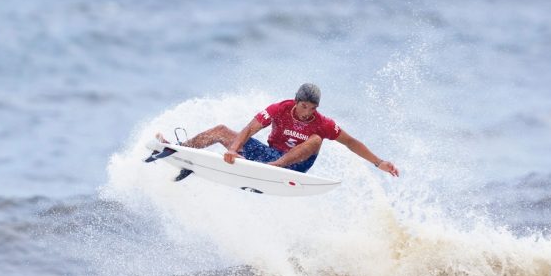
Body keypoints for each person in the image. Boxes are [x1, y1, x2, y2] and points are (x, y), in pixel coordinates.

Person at [155, 83, 399, 179]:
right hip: (270, 156)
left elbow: (351, 142)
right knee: (221, 130)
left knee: (316, 139)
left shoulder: (322, 123)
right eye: (304, 106)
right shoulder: (279, 109)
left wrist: (379, 162)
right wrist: (233, 149)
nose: (307, 112)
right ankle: (182, 152)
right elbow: (250, 128)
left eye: (313, 108)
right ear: (295, 101)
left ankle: (272, 169)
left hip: (294, 166)